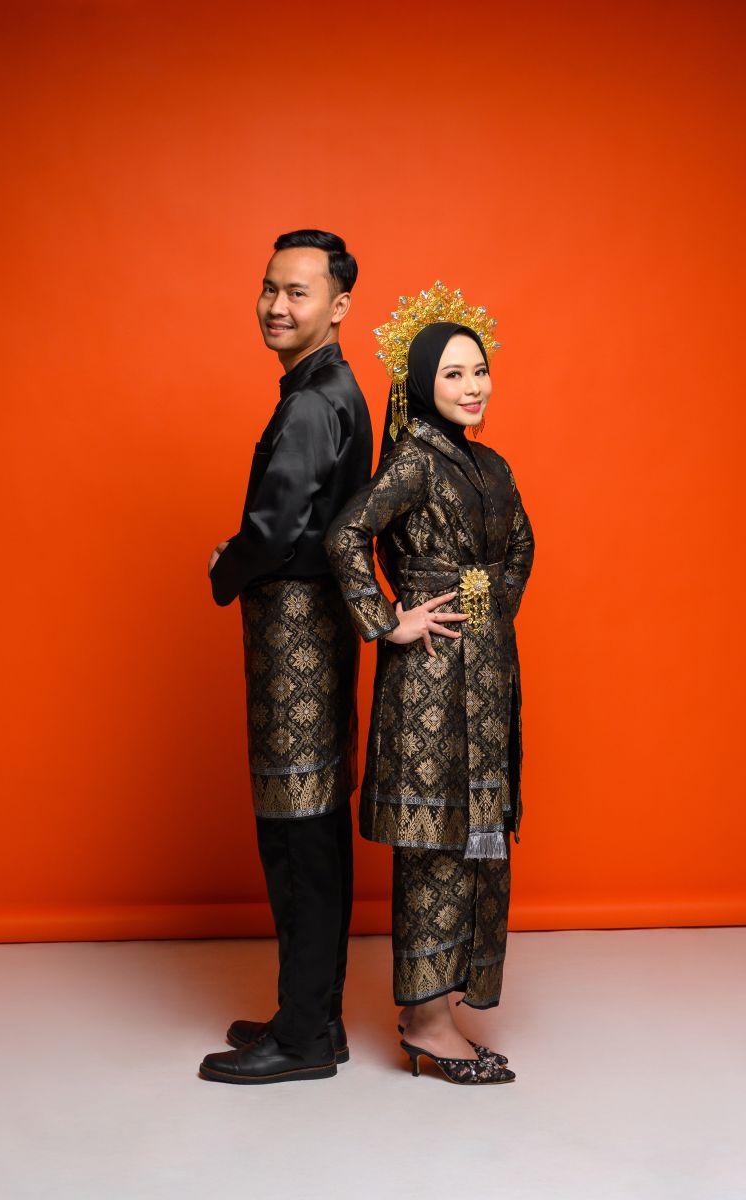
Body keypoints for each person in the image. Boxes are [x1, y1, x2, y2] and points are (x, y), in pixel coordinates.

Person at [325, 282, 534, 1084]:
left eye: (479, 370)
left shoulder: (490, 464)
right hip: (430, 683)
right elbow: (347, 534)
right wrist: (388, 620)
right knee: (434, 844)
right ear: (418, 383)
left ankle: (440, 1010)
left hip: (486, 672)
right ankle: (426, 1025)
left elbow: (522, 546)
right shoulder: (413, 460)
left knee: (476, 839)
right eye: (452, 373)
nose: (473, 386)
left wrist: (486, 604)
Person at [199, 230, 372, 1085]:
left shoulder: (312, 402)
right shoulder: (332, 387)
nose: (276, 305)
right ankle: (315, 1018)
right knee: (314, 827)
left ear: (339, 306)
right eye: (269, 287)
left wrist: (223, 568)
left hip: (296, 633)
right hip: (318, 629)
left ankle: (303, 1036)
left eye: (297, 292)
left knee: (297, 835)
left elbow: (272, 531)